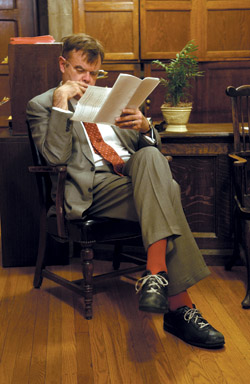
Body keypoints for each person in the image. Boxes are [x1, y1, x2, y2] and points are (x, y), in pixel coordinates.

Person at [26, 33, 225, 349]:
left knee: (148, 154)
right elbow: (55, 158)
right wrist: (61, 103)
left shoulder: (111, 98)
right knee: (169, 190)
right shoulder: (41, 105)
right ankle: (180, 308)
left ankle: (156, 274)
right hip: (92, 188)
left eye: (94, 73)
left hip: (132, 175)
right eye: (80, 70)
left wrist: (146, 127)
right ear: (62, 64)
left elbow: (152, 151)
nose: (88, 80)